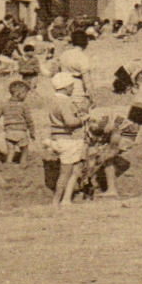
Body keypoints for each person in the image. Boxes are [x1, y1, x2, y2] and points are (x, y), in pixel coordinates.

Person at [43, 72, 89, 206]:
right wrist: (83, 119)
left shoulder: (53, 100)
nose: (73, 89)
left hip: (57, 138)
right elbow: (70, 122)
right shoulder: (65, 101)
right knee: (67, 173)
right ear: (65, 86)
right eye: (71, 86)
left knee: (75, 171)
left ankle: (66, 200)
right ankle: (57, 201)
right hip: (68, 139)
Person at [0, 80, 35, 165]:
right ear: (19, 93)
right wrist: (32, 133)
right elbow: (29, 120)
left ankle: (8, 167)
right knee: (24, 150)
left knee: (10, 152)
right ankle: (23, 165)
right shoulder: (23, 105)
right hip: (21, 132)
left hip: (9, 132)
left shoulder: (4, 104)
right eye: (25, 93)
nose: (26, 96)